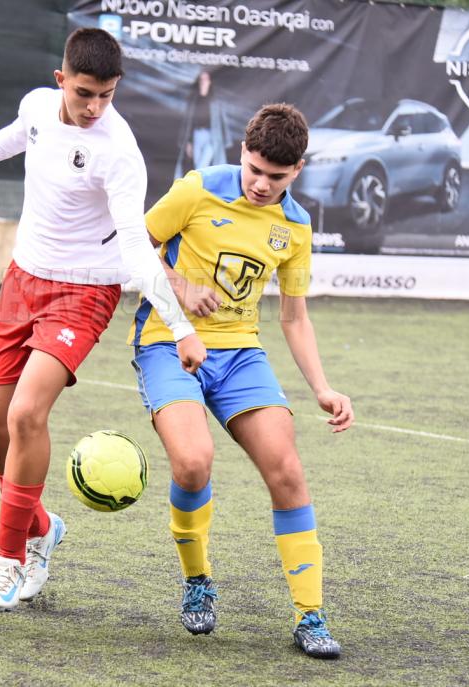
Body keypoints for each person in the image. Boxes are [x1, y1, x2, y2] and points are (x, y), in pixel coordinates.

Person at [0, 28, 206, 611]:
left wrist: (181, 326)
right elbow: (18, 134)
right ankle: (42, 527)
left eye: (107, 95)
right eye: (85, 93)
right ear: (61, 80)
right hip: (23, 280)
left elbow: (135, 245)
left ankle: (10, 560)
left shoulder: (119, 151)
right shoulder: (38, 105)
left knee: (26, 414)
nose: (95, 107)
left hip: (84, 293)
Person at [129, 103, 352, 657]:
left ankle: (310, 615)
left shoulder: (295, 226)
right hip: (167, 342)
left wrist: (322, 387)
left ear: (297, 170)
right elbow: (131, 246)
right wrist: (180, 286)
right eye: (254, 169)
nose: (260, 184)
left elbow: (294, 317)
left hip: (240, 355)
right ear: (243, 153)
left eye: (275, 176)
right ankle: (198, 580)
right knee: (193, 461)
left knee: (287, 470)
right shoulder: (198, 189)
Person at [174, 70, 235, 180]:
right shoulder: (193, 100)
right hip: (197, 136)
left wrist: (225, 140)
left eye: (206, 79)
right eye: (201, 79)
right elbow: (188, 123)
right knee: (199, 167)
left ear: (210, 82)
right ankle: (200, 187)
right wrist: (188, 142)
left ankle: (196, 184)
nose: (203, 81)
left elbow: (222, 121)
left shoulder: (215, 101)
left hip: (211, 137)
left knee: (201, 167)